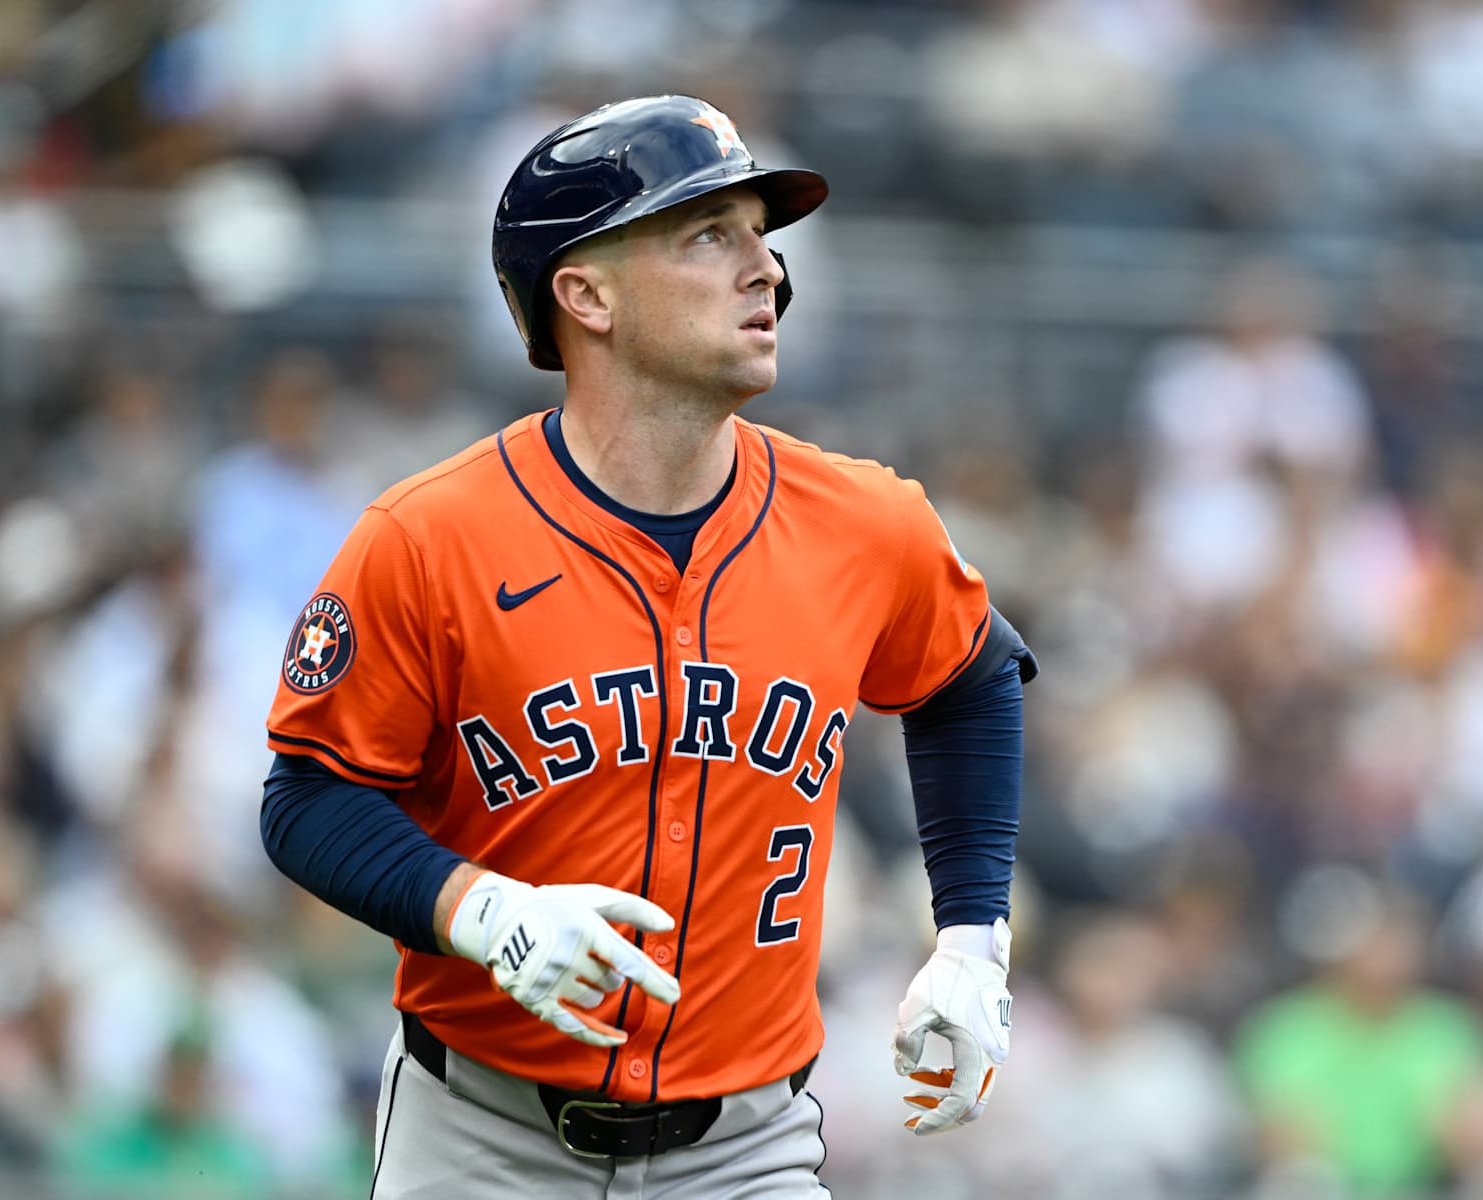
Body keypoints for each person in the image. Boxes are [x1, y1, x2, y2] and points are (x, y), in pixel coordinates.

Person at [259, 94, 1034, 1198]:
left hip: (747, 1151)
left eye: (762, 238)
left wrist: (972, 939)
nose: (766, 270)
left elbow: (972, 681)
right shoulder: (428, 539)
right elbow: (308, 800)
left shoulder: (866, 522)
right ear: (585, 294)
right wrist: (481, 910)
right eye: (708, 234)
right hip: (482, 1138)